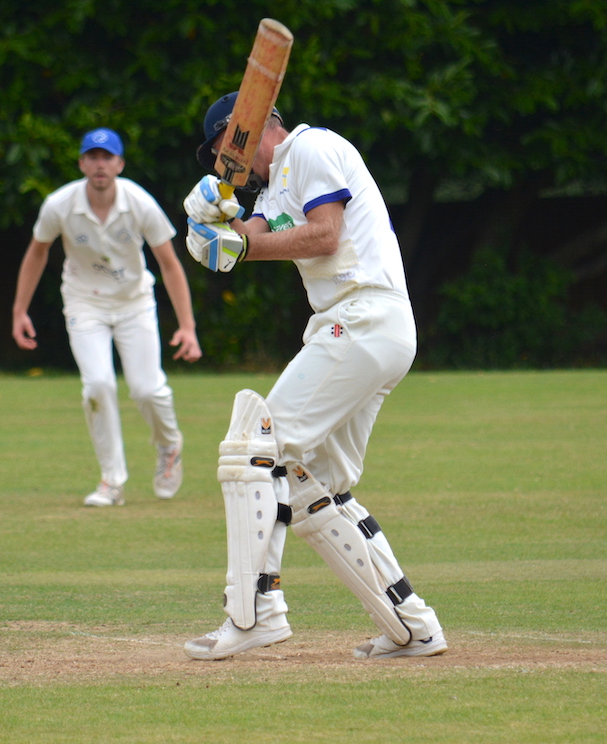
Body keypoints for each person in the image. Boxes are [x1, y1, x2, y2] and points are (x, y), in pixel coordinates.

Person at [180, 92, 446, 660]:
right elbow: (245, 238)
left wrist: (238, 244)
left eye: (224, 152)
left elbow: (325, 234)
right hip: (364, 327)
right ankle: (412, 626)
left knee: (253, 446)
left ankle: (255, 614)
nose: (225, 166)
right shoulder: (274, 188)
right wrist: (207, 223)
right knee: (313, 483)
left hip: (363, 316)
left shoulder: (310, 148)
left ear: (246, 130)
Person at [12, 128, 201, 507]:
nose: (100, 164)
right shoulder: (59, 204)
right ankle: (111, 482)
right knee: (98, 385)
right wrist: (19, 310)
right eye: (93, 157)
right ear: (82, 163)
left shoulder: (139, 202)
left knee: (146, 389)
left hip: (134, 301)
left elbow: (169, 264)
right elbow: (37, 252)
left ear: (120, 164)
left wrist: (188, 327)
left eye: (107, 157)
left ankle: (169, 446)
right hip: (84, 302)